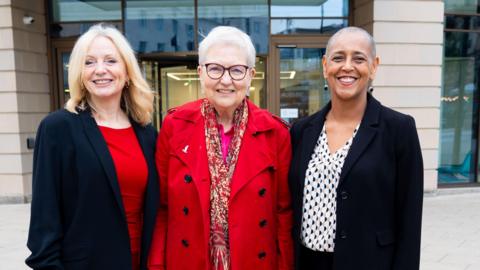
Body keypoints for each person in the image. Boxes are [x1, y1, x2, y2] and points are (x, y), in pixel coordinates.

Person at [148, 26, 293, 270]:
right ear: (200, 73)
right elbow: (162, 209)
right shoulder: (174, 126)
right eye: (215, 69)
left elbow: (283, 215)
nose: (225, 80)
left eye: (236, 70)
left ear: (250, 75)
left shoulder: (275, 133)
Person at [26, 23, 159, 270]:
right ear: (79, 73)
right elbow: (44, 224)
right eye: (89, 62)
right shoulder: (58, 129)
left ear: (127, 71)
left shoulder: (147, 135)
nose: (100, 70)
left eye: (110, 60)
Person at [288, 27, 424, 270]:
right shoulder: (301, 131)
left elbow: (409, 220)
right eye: (338, 58)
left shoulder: (398, 129)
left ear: (373, 66)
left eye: (359, 58)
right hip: (307, 263)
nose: (347, 66)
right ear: (325, 65)